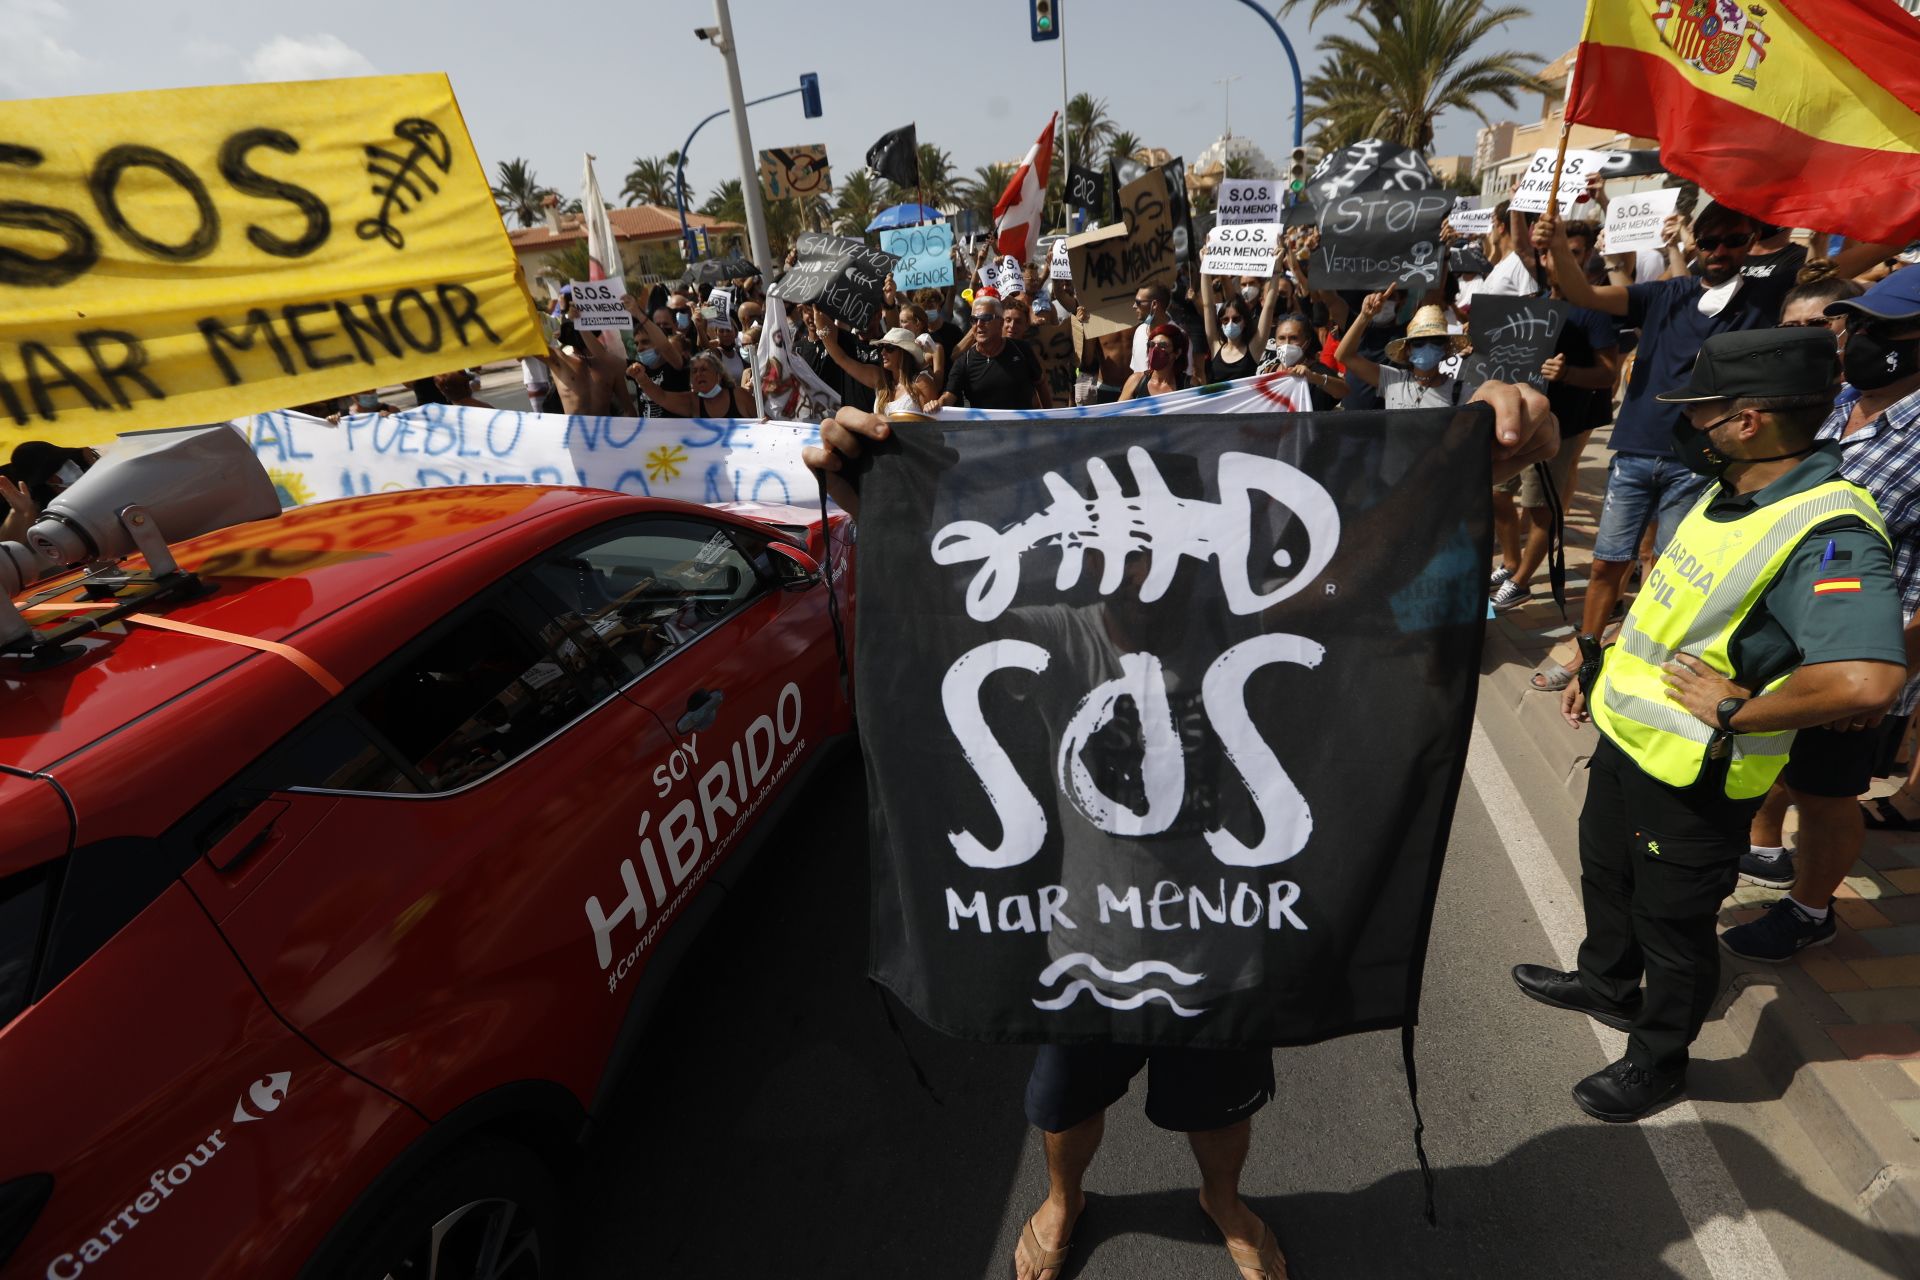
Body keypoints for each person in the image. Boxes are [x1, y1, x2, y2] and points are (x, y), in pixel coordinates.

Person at [802, 376, 1561, 1280]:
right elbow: (939, 621)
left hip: (1226, 946)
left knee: (1220, 1109)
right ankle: (1064, 1198)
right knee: (1066, 1104)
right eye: (1116, 539)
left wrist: (1469, 449)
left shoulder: (1254, 623)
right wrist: (882, 505)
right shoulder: (1056, 631)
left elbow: (1360, 570)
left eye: (1159, 538)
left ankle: (1223, 1200)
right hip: (1089, 943)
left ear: (1201, 545)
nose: (1135, 564)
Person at [1520, 328, 1906, 1122]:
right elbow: (1674, 602)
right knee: (1609, 877)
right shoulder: (1726, 490)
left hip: (1699, 772)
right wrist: (1599, 660)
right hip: (1632, 741)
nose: (1687, 425)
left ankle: (1658, 1060)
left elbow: (1867, 676)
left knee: (1672, 922)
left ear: (1749, 420)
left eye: (1700, 411)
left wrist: (1739, 708)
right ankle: (1604, 983)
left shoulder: (1827, 528)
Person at [1721, 270, 1920, 957]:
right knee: (1780, 762)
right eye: (1858, 324)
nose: (1862, 340)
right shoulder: (1838, 403)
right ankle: (1767, 854)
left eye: (1887, 330)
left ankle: (1810, 912)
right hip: (1784, 638)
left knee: (1826, 793)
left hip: (1857, 654)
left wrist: (1882, 669)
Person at [1530, 203, 1774, 692]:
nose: (1720, 251)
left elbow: (1841, 268)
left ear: (1753, 244)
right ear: (1695, 244)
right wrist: (1555, 240)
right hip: (1637, 450)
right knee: (1606, 562)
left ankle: (1638, 656)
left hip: (1701, 459)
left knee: (1666, 571)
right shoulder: (1667, 293)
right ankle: (1588, 651)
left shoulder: (1763, 300)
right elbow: (1582, 292)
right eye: (1709, 242)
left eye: (1734, 240)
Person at [1490, 221, 1624, 612]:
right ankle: (1511, 561)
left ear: (1585, 257)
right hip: (1515, 418)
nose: (1557, 259)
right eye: (1549, 252)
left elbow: (1607, 373)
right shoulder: (1530, 301)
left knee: (1540, 506)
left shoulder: (1594, 312)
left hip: (1559, 425)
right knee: (1498, 492)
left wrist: (1567, 375)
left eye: (1574, 252)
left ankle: (1522, 579)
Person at [1335, 295, 1471, 409]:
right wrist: (1364, 316)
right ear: (1408, 350)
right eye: (1419, 342)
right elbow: (1344, 356)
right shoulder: (1392, 379)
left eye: (1436, 341)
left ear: (1446, 347)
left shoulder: (1459, 391)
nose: (1427, 346)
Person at [936, 294, 1045, 411]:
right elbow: (948, 397)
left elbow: (1041, 385)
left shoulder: (1022, 350)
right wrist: (935, 404)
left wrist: (1049, 420)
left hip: (1023, 428)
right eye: (974, 320)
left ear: (1000, 323)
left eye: (986, 318)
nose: (979, 324)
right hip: (984, 429)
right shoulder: (964, 362)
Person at [819, 324, 928, 416]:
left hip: (908, 440)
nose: (883, 353)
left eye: (889, 348)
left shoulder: (921, 382)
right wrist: (821, 331)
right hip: (878, 439)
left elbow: (931, 426)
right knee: (842, 415)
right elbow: (842, 360)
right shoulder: (879, 378)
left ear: (904, 353)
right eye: (882, 347)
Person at [1197, 272, 1279, 384]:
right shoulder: (1215, 346)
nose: (1230, 323)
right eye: (1225, 320)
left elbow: (1269, 307)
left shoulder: (1254, 348)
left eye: (1236, 319)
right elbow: (1208, 306)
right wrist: (1205, 267)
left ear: (1245, 322)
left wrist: (1276, 272)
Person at [630, 349, 755, 417]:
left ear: (719, 375)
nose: (698, 374)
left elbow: (766, 423)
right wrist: (641, 378)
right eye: (694, 371)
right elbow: (662, 397)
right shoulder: (692, 402)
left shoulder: (740, 396)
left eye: (704, 369)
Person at [1259, 313, 1347, 411]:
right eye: (1282, 338)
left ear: (1307, 342)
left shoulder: (1317, 370)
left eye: (1294, 338)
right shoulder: (1269, 371)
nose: (1287, 344)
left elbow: (1344, 391)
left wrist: (1315, 378)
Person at [1119, 324, 1190, 401]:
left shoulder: (1188, 384)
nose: (1155, 350)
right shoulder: (1135, 381)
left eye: (1163, 345)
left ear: (1177, 353)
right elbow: (1117, 411)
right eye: (1151, 344)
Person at [1129, 284, 1174, 375]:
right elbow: (1136, 372)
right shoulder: (1139, 331)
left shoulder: (1179, 335)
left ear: (1154, 304)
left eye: (1138, 302)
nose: (1134, 306)